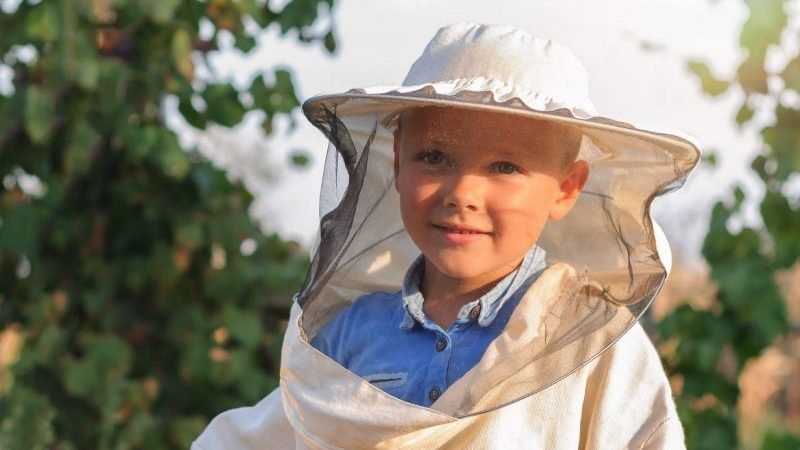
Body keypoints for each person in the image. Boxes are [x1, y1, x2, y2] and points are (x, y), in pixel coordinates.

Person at [193, 22, 700, 449]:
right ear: (397, 164)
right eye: (434, 158)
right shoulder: (348, 336)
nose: (463, 193)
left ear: (566, 189)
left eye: (505, 167)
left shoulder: (593, 343)